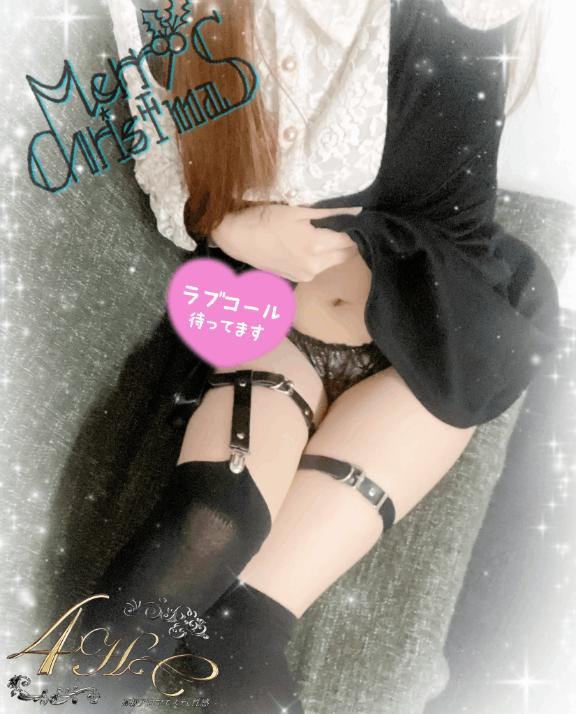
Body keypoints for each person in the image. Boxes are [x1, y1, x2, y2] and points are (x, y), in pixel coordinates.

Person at [91, 0, 559, 711]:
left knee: (243, 629)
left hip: (438, 341)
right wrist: (230, 227)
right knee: (206, 527)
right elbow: (161, 147)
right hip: (281, 319)